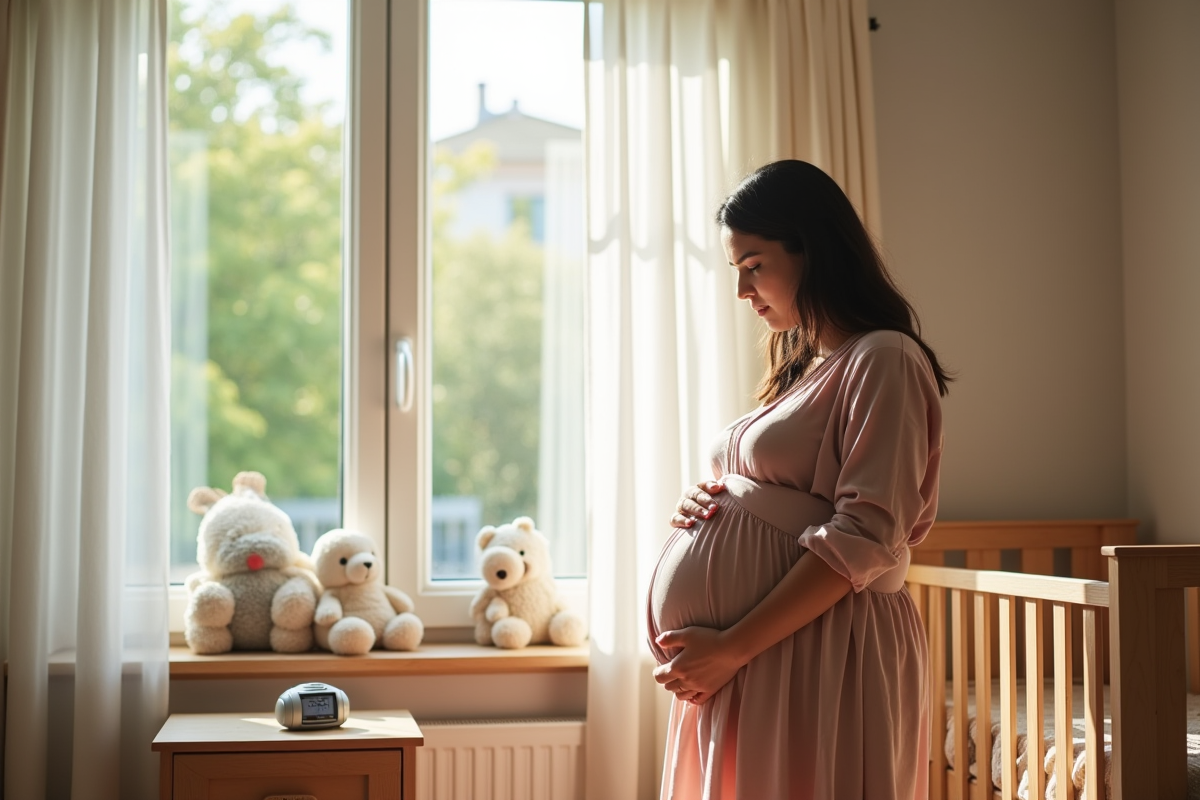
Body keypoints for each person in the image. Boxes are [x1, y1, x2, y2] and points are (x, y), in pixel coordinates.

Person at [646, 159, 950, 800]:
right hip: (764, 654)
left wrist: (731, 646)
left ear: (813, 251)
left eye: (754, 266)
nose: (742, 292)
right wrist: (718, 495)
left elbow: (865, 536)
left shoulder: (884, 357)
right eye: (737, 271)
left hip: (818, 648)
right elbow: (784, 496)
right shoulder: (809, 363)